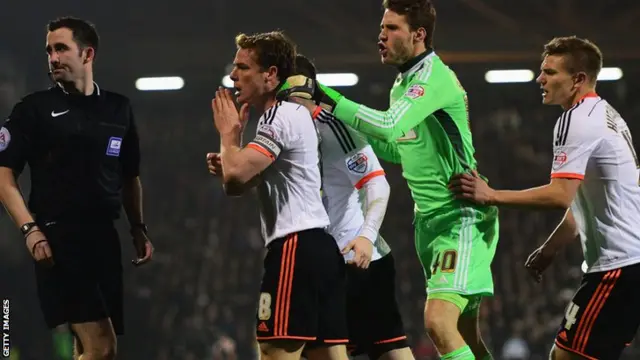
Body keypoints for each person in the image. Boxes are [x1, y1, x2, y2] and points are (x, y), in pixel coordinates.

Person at [277, 1, 498, 359]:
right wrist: (346, 138)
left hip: (460, 216)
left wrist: (325, 95)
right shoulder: (403, 83)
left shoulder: (431, 78)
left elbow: (390, 125)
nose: (381, 34)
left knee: (439, 324)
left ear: (418, 34)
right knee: (464, 338)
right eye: (382, 26)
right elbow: (400, 148)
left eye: (392, 27)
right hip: (429, 222)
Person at [449, 35, 640, 360]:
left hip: (617, 268)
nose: (541, 79)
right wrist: (549, 250)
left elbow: (559, 195)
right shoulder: (605, 114)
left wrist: (491, 194)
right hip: (625, 264)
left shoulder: (577, 119)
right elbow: (579, 202)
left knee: (565, 357)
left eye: (550, 72)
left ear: (578, 79)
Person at [0, 17, 153, 360]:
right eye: (49, 51)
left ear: (87, 54)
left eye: (61, 48)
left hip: (105, 239)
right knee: (102, 346)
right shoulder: (33, 109)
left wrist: (138, 228)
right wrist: (30, 230)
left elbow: (130, 176)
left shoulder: (119, 108)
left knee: (83, 347)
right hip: (60, 239)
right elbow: (3, 175)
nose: (52, 57)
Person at [209, 31, 349, 360]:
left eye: (243, 67)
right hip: (321, 249)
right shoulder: (295, 116)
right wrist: (233, 156)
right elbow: (239, 181)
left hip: (294, 248)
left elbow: (235, 178)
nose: (233, 75)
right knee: (327, 355)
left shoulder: (278, 116)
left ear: (270, 76)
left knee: (273, 351)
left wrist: (229, 137)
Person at [293, 54, 414, 360]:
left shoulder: (333, 127)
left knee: (387, 350)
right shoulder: (279, 129)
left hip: (356, 262)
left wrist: (366, 236)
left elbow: (377, 183)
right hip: (316, 262)